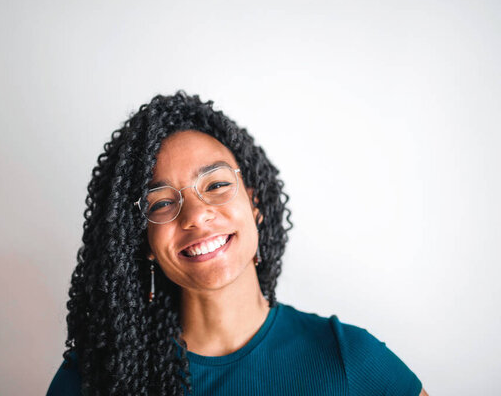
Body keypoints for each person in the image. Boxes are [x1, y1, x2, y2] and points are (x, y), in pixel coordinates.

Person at [47, 92, 427, 396]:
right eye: (162, 203)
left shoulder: (348, 359)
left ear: (254, 202)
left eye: (215, 185)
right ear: (143, 239)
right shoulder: (95, 378)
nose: (195, 214)